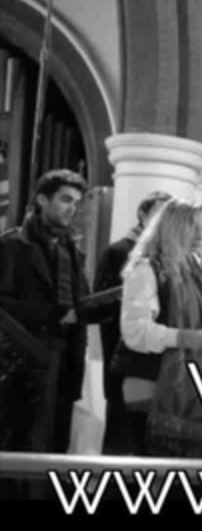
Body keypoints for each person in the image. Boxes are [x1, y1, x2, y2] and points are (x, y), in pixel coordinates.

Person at [114, 199, 202, 457]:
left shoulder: (196, 272)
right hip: (149, 378)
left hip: (190, 382)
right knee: (151, 467)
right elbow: (135, 331)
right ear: (173, 229)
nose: (200, 235)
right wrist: (183, 337)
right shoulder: (147, 269)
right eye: (192, 227)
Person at [0, 169, 90, 456]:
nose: (72, 208)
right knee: (20, 447)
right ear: (42, 199)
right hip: (23, 361)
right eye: (65, 200)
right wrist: (51, 314)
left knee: (55, 448)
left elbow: (79, 303)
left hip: (65, 359)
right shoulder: (12, 246)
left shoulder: (71, 251)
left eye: (76, 203)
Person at [96, 190, 171, 454]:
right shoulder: (119, 251)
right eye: (158, 213)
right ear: (142, 214)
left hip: (152, 350)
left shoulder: (165, 256)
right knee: (120, 429)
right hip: (124, 346)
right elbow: (100, 303)